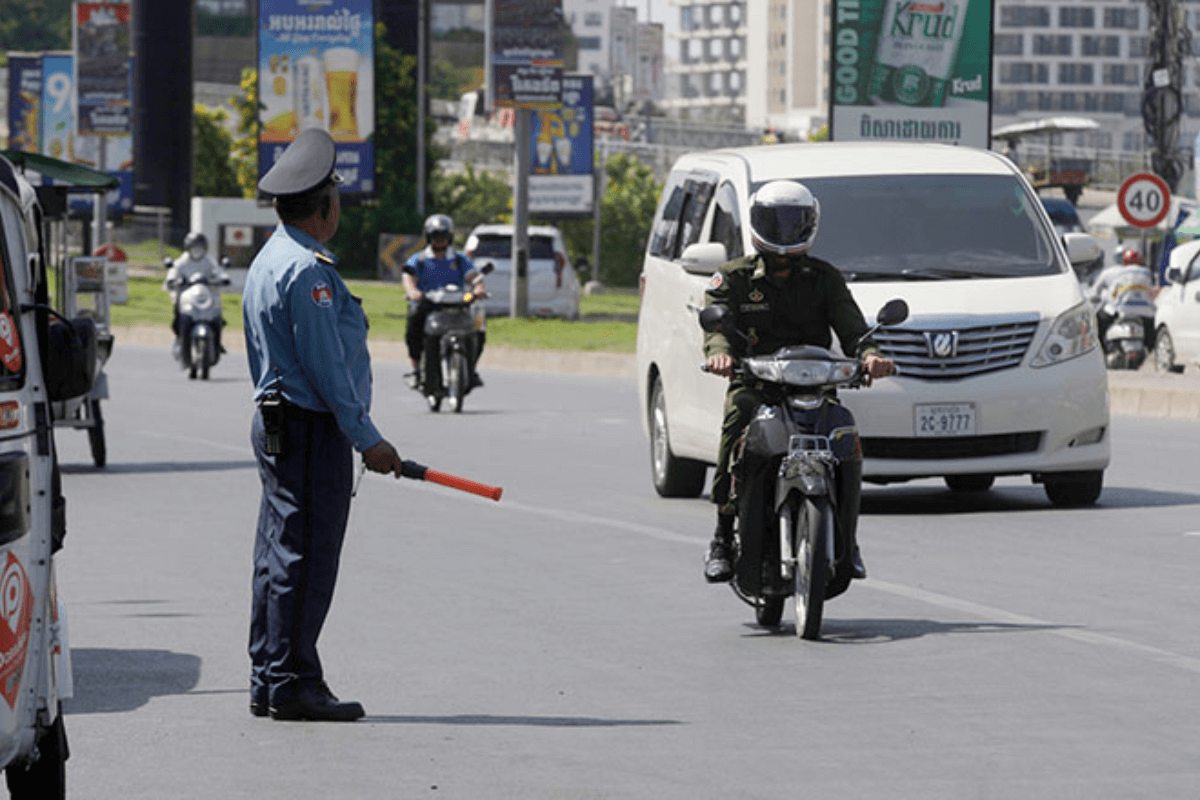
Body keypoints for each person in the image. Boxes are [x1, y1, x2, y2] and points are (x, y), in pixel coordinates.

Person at [243, 128, 405, 722]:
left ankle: (270, 677)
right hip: (308, 428)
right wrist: (369, 438)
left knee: (277, 555)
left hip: (278, 423)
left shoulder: (270, 259)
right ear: (324, 209)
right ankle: (294, 685)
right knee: (305, 558)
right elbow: (327, 366)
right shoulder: (307, 272)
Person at [702, 180, 896, 584]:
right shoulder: (733, 276)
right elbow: (717, 321)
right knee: (735, 423)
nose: (784, 231)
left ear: (810, 223)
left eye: (794, 222)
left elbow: (853, 328)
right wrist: (719, 353)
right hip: (757, 386)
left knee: (844, 440)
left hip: (815, 388)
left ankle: (849, 541)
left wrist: (870, 356)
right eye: (775, 221)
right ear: (756, 222)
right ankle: (722, 536)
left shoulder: (825, 278)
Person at [402, 213, 487, 390]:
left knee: (478, 330)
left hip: (456, 303)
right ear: (428, 237)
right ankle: (417, 370)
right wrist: (413, 292)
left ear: (449, 238)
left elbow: (474, 276)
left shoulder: (458, 259)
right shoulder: (420, 259)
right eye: (435, 237)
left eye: (443, 237)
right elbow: (408, 276)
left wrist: (478, 288)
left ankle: (470, 370)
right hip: (428, 304)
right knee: (413, 326)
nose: (439, 241)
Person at [163, 231, 226, 364]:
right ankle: (181, 342)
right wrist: (174, 281)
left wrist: (222, 278)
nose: (197, 251)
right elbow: (172, 273)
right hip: (186, 298)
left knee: (218, 318)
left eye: (199, 248)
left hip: (206, 297)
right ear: (188, 248)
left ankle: (216, 342)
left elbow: (218, 272)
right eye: (194, 248)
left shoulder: (208, 261)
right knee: (181, 320)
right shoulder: (182, 262)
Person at [1089, 247, 1155, 348]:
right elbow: (1151, 291)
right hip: (1145, 312)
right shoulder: (1146, 272)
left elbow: (1111, 292)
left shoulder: (1116, 272)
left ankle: (1100, 349)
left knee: (1099, 325)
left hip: (1121, 310)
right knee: (1152, 331)